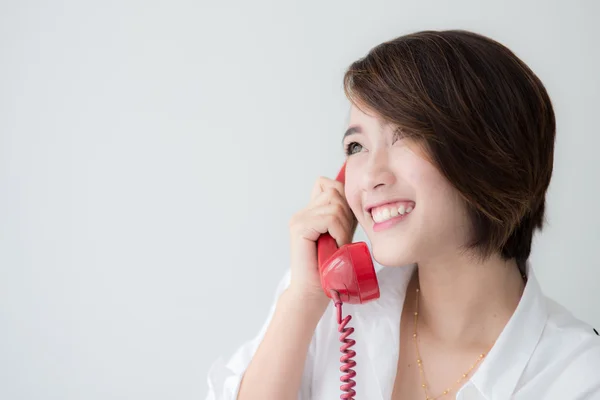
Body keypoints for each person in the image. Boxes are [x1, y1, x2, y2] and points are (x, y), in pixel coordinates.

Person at [205, 29, 600, 400]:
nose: (371, 177)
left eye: (408, 135)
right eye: (357, 146)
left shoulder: (579, 377)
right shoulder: (330, 307)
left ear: (493, 157)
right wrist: (304, 300)